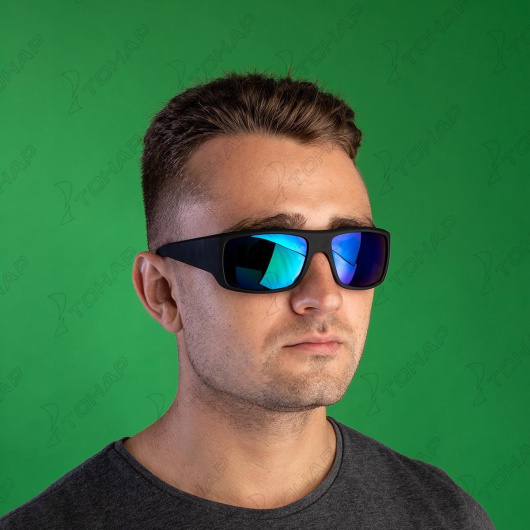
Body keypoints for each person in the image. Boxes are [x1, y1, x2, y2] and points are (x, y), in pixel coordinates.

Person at [0, 68, 495, 529]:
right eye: (265, 255)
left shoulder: (443, 516)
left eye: (354, 251)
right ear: (162, 292)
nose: (324, 296)